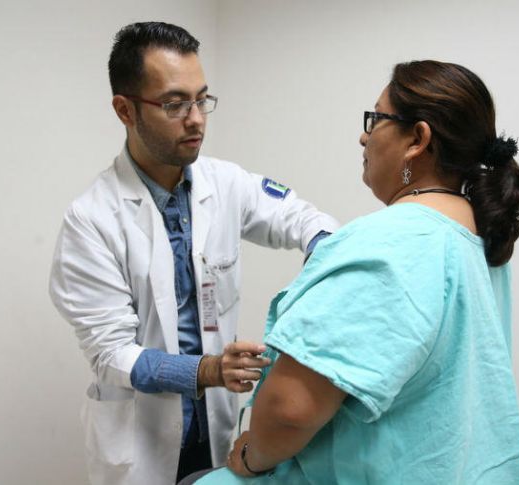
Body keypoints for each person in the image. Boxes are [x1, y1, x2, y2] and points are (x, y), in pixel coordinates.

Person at [187, 60, 519, 485]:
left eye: (376, 120)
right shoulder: (478, 238)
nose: (364, 136)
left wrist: (249, 456)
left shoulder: (387, 242)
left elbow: (289, 410)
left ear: (417, 139)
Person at [48, 22, 339, 485]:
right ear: (125, 110)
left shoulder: (225, 183)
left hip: (215, 428)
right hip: (140, 444)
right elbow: (112, 355)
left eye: (202, 100)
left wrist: (329, 265)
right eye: (174, 104)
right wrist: (208, 371)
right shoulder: (92, 220)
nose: (196, 119)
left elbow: (303, 220)